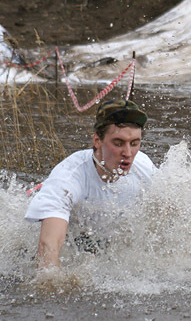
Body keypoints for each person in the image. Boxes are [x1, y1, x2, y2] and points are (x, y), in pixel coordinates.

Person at [25, 100, 157, 267]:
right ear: (97, 140)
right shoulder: (68, 178)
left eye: (134, 143)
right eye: (118, 143)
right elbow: (47, 248)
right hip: (66, 241)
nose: (128, 153)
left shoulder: (144, 167)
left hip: (104, 243)